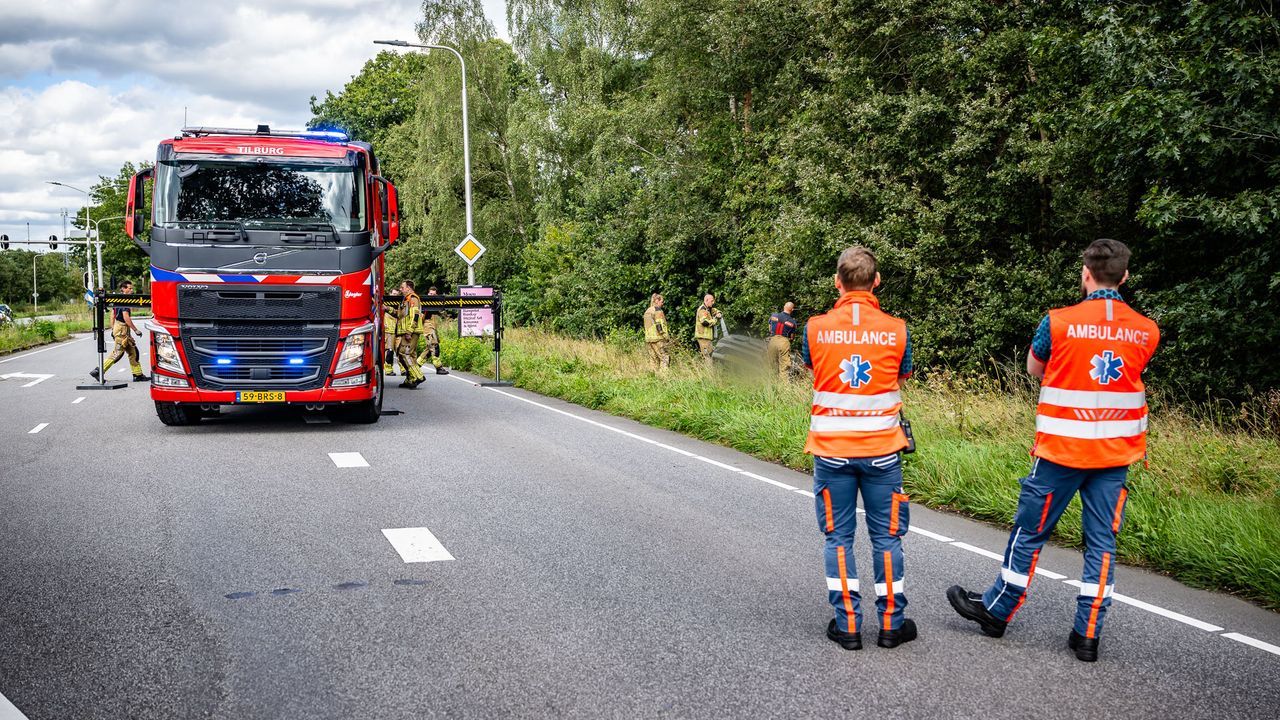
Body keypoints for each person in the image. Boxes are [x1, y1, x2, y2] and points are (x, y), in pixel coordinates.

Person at [946, 239, 1159, 663]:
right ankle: (1088, 635)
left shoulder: (1058, 322)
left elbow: (1034, 368)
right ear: (1125, 276)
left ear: (1085, 274)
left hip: (1061, 452)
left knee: (1030, 533)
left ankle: (997, 610)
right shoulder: (1146, 329)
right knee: (1102, 545)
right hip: (1114, 457)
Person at [802, 246, 917, 651]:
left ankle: (847, 624)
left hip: (832, 452)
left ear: (837, 282)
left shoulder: (815, 328)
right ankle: (891, 624)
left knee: (838, 539)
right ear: (877, 281)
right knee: (887, 540)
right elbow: (904, 373)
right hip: (883, 453)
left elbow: (813, 367)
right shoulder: (897, 329)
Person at [89, 280, 149, 382]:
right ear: (123, 289)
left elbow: (112, 315)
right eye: (129, 288)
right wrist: (136, 330)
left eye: (131, 288)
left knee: (133, 352)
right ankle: (98, 371)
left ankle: (137, 375)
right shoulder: (124, 300)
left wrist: (113, 328)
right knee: (117, 354)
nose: (131, 290)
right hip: (122, 331)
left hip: (120, 329)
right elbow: (126, 317)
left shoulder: (117, 299)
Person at [394, 280, 426, 389]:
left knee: (405, 353)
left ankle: (418, 376)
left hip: (411, 332)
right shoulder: (405, 300)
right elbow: (400, 315)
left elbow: (415, 315)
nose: (400, 289)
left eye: (402, 287)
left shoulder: (413, 298)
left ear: (408, 288)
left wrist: (409, 331)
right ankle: (410, 379)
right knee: (405, 355)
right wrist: (386, 308)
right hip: (406, 332)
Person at [415, 286, 449, 375]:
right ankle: (439, 367)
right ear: (427, 293)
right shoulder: (424, 302)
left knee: (429, 349)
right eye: (430, 294)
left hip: (433, 325)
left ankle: (417, 365)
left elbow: (442, 313)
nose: (431, 296)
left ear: (436, 295)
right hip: (427, 325)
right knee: (435, 346)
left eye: (433, 294)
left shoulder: (436, 303)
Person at [768, 301, 797, 380]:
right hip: (784, 341)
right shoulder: (792, 322)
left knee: (771, 363)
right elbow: (792, 337)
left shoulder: (773, 315)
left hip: (773, 340)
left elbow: (770, 329)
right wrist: (789, 341)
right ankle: (783, 388)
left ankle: (771, 383)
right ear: (792, 310)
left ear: (784, 306)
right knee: (784, 366)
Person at [642, 293, 670, 372]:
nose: (663, 304)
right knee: (664, 358)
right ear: (657, 301)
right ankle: (664, 377)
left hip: (649, 339)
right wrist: (666, 337)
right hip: (658, 339)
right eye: (662, 301)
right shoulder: (658, 310)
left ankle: (653, 377)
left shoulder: (647, 311)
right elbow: (659, 326)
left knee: (653, 359)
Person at [694, 293, 722, 366]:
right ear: (706, 300)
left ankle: (707, 373)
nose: (713, 302)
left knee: (710, 355)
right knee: (708, 356)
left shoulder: (708, 309)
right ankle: (709, 375)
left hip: (707, 337)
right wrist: (714, 320)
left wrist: (718, 313)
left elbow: (715, 310)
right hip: (703, 337)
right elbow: (705, 322)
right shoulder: (702, 310)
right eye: (712, 301)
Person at [383, 288, 400, 377]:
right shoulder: (385, 302)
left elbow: (398, 313)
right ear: (390, 294)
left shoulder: (399, 304)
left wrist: (388, 308)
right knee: (389, 350)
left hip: (397, 330)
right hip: (388, 330)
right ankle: (388, 370)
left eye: (396, 294)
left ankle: (403, 369)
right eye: (393, 294)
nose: (395, 296)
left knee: (399, 350)